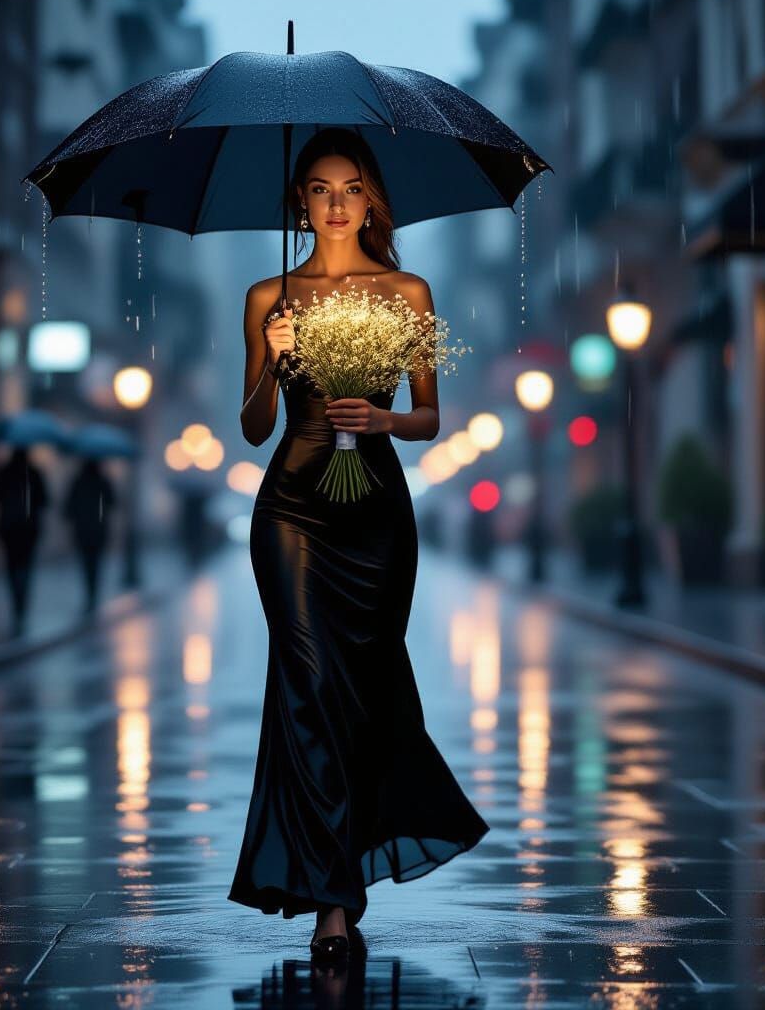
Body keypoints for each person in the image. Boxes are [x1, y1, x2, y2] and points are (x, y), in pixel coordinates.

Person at [229, 128, 489, 962]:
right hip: (292, 511)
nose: (335, 203)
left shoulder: (408, 291)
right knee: (306, 683)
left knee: (364, 689)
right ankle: (332, 903)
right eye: (318, 188)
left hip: (376, 510)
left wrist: (380, 418)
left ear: (372, 199)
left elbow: (429, 418)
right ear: (298, 201)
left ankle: (340, 864)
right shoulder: (267, 294)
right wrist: (273, 362)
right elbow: (252, 428)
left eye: (350, 188)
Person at [0, 447, 49, 631]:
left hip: (9, 528)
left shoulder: (4, 471)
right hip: (29, 529)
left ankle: (17, 605)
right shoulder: (35, 473)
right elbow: (45, 501)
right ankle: (21, 607)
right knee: (26, 568)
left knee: (12, 566)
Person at [62, 457, 116, 613]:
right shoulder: (103, 481)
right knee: (96, 562)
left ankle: (90, 594)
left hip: (82, 530)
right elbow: (113, 502)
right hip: (99, 530)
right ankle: (93, 594)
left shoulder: (78, 482)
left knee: (86, 562)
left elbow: (68, 508)